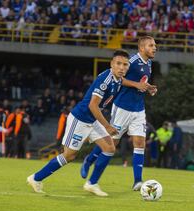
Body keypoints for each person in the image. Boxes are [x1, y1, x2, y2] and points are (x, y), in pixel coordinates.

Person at [27, 50, 153, 196]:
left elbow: (123, 81)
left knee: (109, 148)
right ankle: (35, 178)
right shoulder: (105, 81)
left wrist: (140, 85)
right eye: (118, 64)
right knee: (69, 156)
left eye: (125, 65)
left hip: (93, 120)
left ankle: (92, 183)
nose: (122, 67)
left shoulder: (118, 78)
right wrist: (107, 126)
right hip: (80, 119)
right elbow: (92, 105)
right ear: (112, 64)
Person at [81, 36, 157, 191]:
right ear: (141, 48)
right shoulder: (133, 62)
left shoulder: (149, 62)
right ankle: (89, 161)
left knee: (140, 143)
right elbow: (119, 79)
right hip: (122, 108)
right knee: (111, 143)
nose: (155, 48)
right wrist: (137, 84)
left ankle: (138, 181)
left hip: (139, 109)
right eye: (151, 45)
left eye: (155, 45)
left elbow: (141, 82)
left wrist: (149, 88)